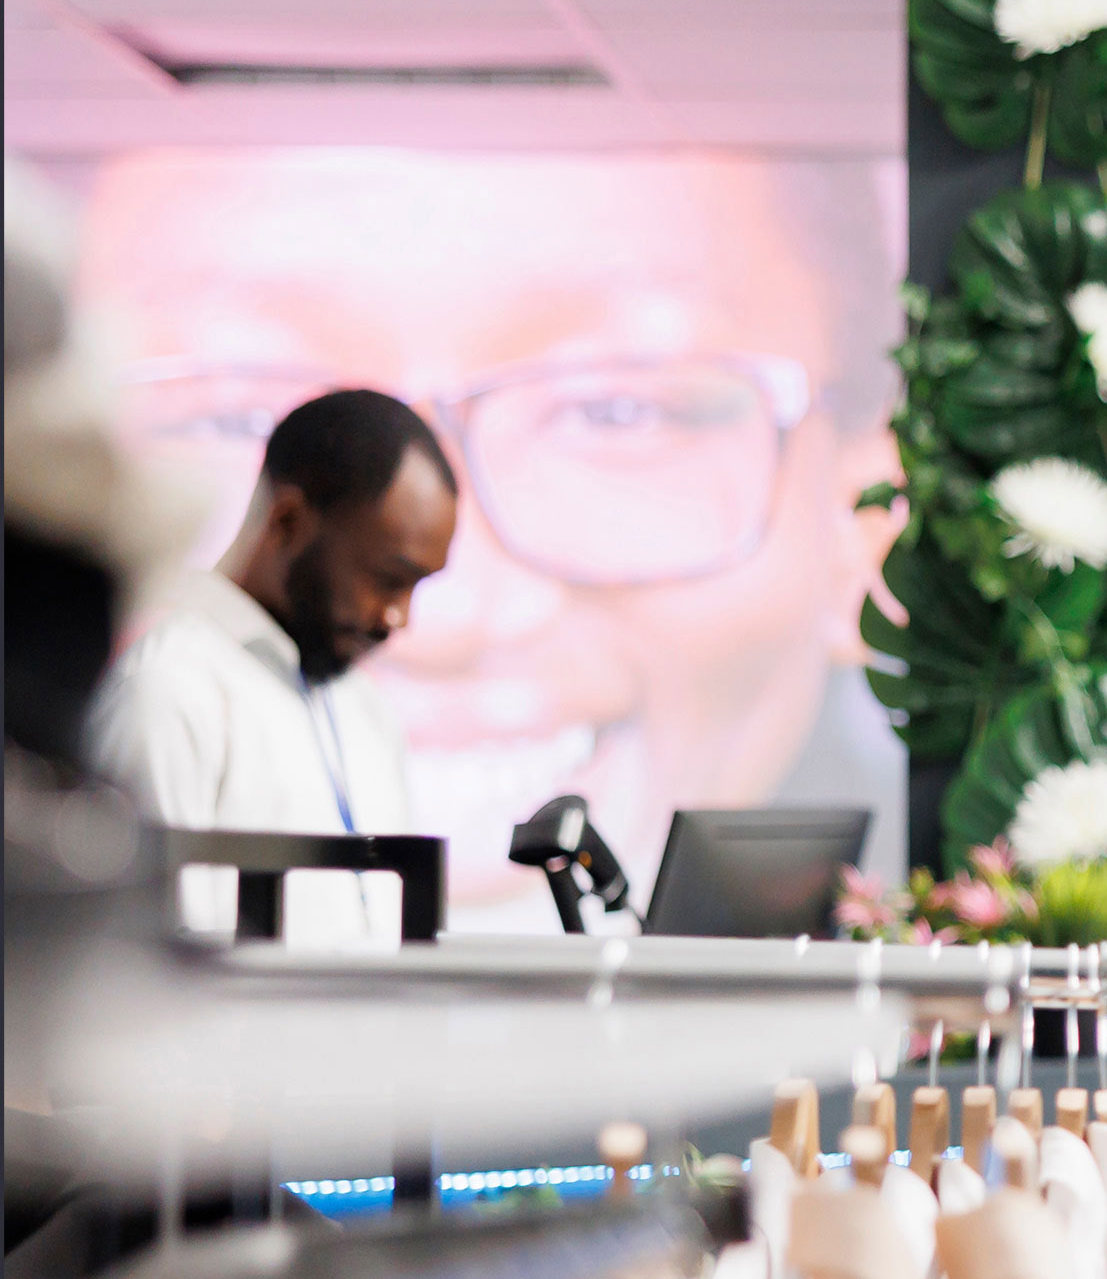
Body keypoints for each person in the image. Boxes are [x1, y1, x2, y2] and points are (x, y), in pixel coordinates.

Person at [78, 150, 907, 922]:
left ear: (864, 510)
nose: (447, 621)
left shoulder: (353, 716)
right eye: (231, 416)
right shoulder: (171, 698)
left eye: (616, 411)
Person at [98, 386, 458, 942]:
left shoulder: (366, 711)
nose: (398, 617)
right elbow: (143, 969)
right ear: (288, 521)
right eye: (388, 578)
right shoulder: (170, 691)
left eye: (417, 587)